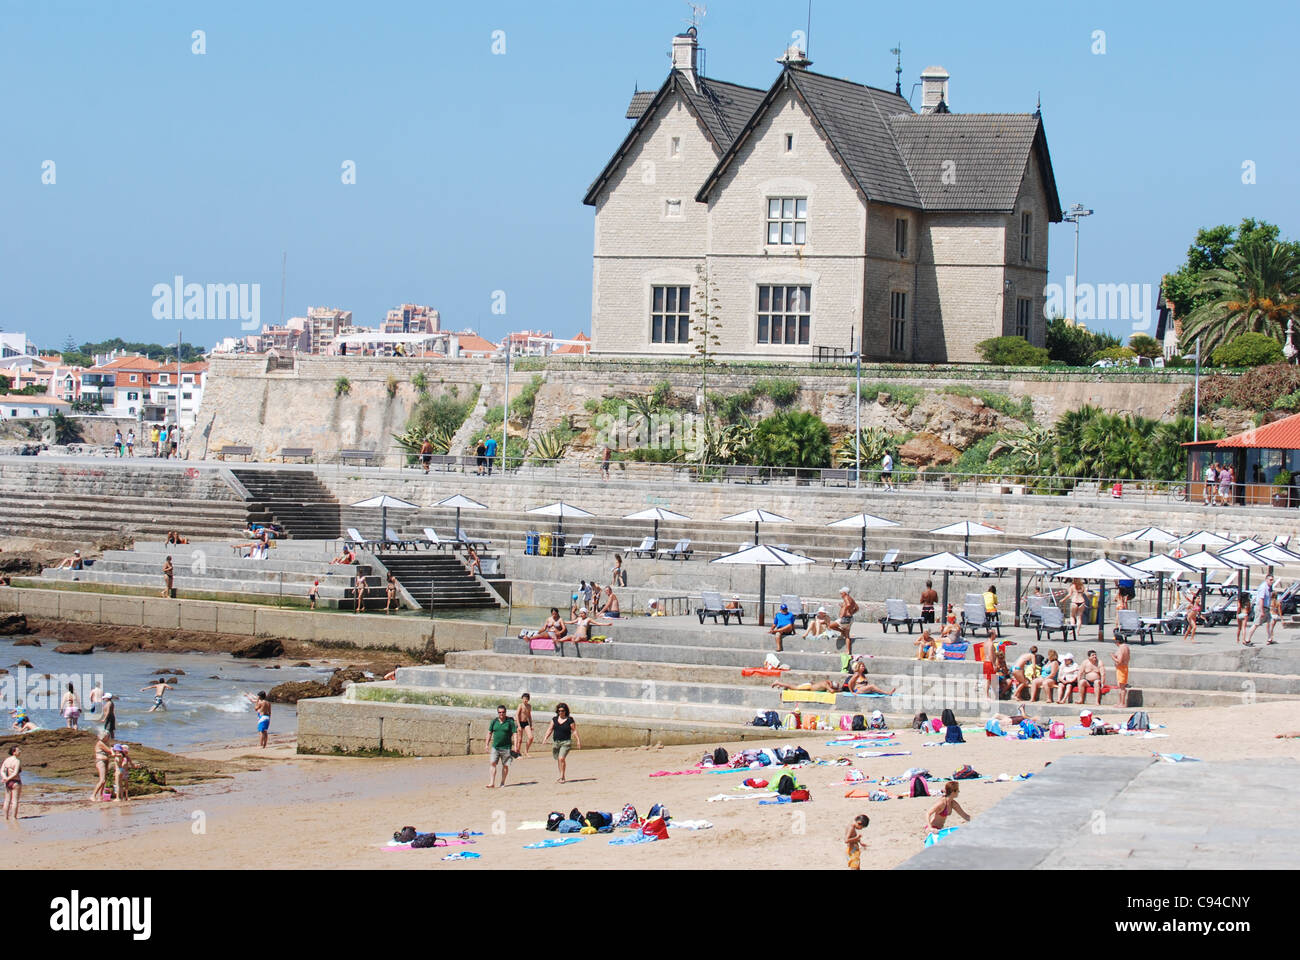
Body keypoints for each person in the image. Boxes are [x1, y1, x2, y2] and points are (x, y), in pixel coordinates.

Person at [541, 702, 580, 783]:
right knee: (559, 759)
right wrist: (545, 738)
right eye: (559, 711)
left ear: (565, 711)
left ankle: (562, 777)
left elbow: (574, 730)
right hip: (556, 742)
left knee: (561, 758)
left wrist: (578, 740)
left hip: (566, 742)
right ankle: (561, 775)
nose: (560, 712)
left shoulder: (570, 720)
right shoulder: (554, 719)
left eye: (562, 711)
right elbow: (550, 729)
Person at [829, 587, 859, 656]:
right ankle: (848, 651)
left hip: (845, 619)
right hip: (850, 619)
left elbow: (848, 605)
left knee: (830, 626)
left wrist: (844, 611)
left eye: (841, 593)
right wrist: (851, 612)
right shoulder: (852, 599)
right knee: (847, 636)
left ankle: (842, 631)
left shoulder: (846, 597)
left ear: (844, 593)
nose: (841, 595)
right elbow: (857, 608)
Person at [1245, 575, 1274, 646]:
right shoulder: (1263, 587)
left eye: (1272, 580)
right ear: (1266, 580)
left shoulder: (1268, 587)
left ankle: (1269, 638)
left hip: (1266, 608)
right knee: (1256, 624)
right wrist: (1262, 611)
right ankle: (1247, 640)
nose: (1272, 581)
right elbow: (1261, 599)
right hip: (1261, 607)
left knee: (1270, 622)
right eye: (1270, 580)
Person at [90, 730, 113, 801]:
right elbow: (109, 751)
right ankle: (93, 795)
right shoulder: (100, 743)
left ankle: (101, 796)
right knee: (102, 780)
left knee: (104, 780)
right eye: (107, 736)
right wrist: (112, 749)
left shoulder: (105, 743)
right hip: (100, 761)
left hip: (105, 761)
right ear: (104, 736)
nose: (109, 737)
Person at [2, 746, 21, 821]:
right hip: (15, 782)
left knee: (7, 800)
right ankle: (13, 817)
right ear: (14, 752)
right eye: (18, 750)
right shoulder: (17, 761)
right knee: (15, 801)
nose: (20, 751)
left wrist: (5, 778)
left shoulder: (6, 760)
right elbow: (15, 773)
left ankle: (5, 817)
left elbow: (2, 771)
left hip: (8, 782)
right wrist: (7, 778)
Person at [515, 693, 534, 758]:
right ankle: (517, 753)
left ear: (528, 699)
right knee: (519, 739)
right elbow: (517, 715)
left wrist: (531, 725)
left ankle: (526, 751)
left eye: (526, 699)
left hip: (526, 723)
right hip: (520, 723)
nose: (525, 700)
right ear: (522, 699)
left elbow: (529, 716)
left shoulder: (529, 706)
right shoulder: (520, 705)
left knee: (531, 737)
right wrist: (519, 725)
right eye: (524, 699)